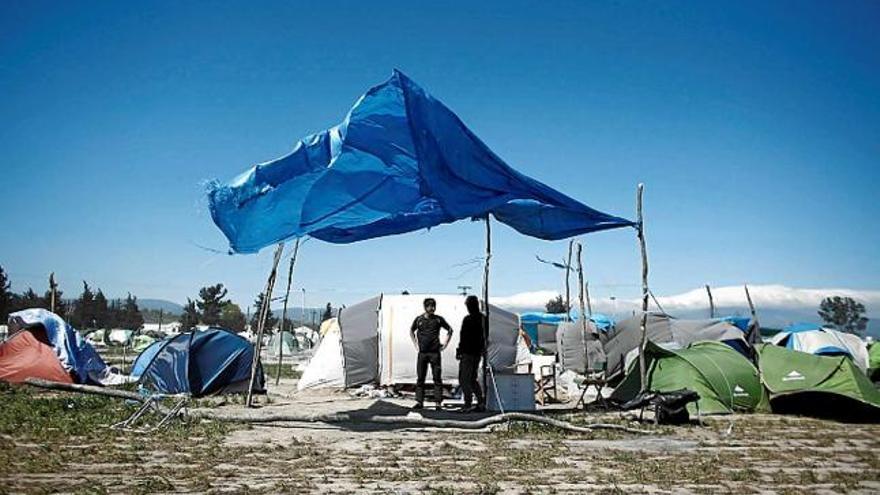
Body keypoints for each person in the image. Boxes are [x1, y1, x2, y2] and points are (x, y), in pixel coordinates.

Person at [410, 297, 452, 410]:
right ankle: (419, 402)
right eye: (429, 306)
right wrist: (415, 345)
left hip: (435, 353)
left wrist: (445, 344)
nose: (432, 308)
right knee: (420, 378)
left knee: (437, 378)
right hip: (423, 353)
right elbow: (411, 331)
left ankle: (438, 403)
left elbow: (450, 330)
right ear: (425, 307)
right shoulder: (419, 320)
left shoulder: (438, 320)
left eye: (433, 306)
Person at [457, 295, 485, 412]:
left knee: (464, 379)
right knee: (472, 379)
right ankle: (480, 402)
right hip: (477, 352)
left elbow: (463, 337)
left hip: (468, 352)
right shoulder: (483, 318)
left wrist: (459, 350)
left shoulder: (468, 319)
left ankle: (468, 403)